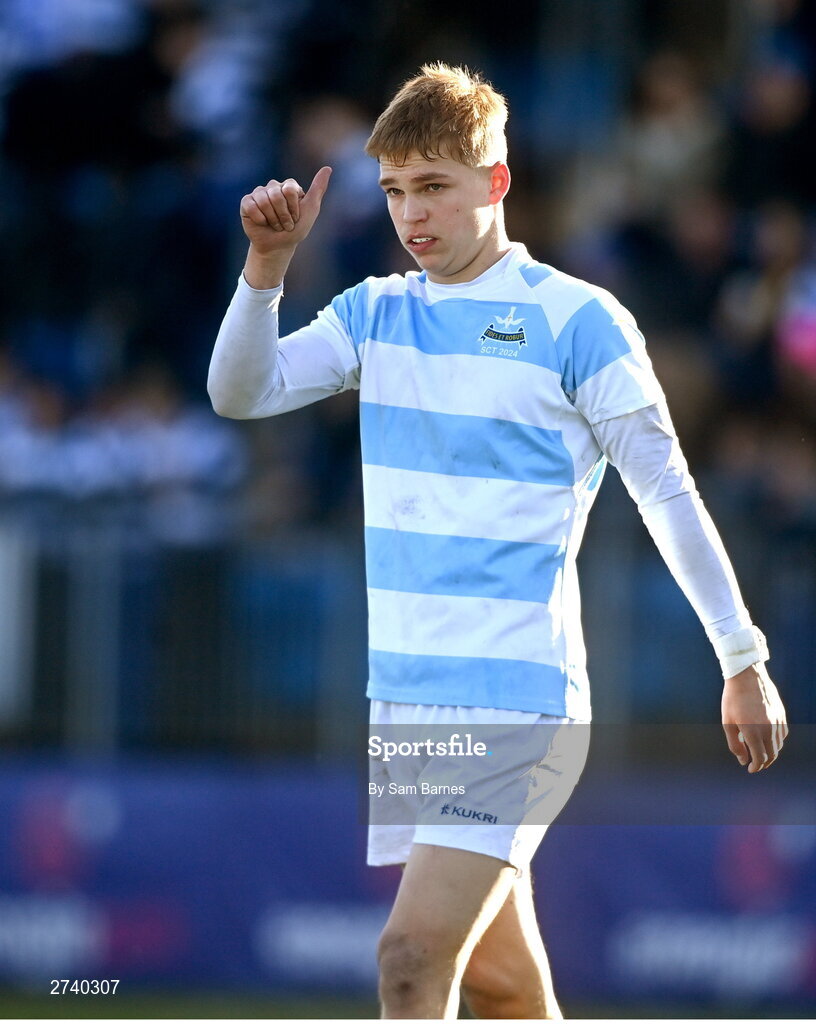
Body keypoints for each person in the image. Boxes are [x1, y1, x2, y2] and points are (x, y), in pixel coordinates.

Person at [208, 63, 788, 1020]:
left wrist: (741, 655)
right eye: (395, 191)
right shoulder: (374, 313)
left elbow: (667, 492)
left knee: (409, 959)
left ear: (497, 182)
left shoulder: (580, 321)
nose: (411, 215)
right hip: (408, 699)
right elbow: (241, 391)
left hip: (519, 695)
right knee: (501, 984)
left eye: (434, 186)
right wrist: (265, 269)